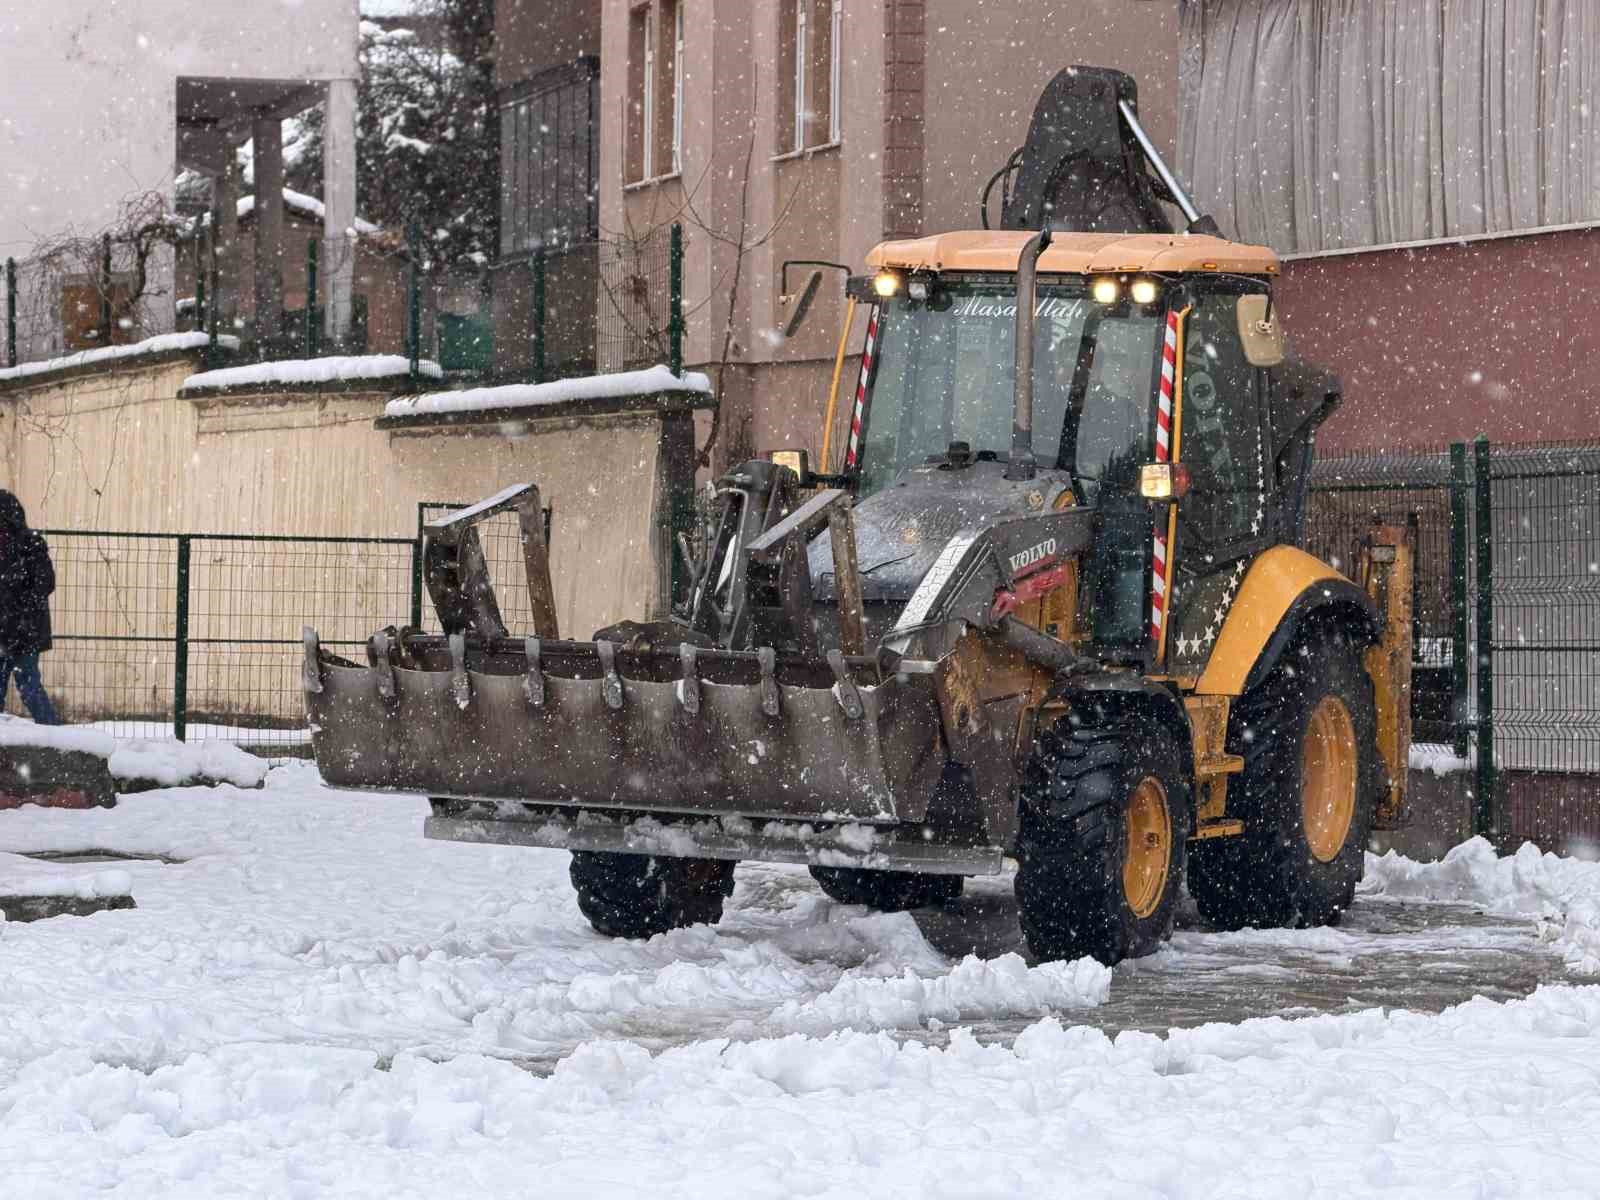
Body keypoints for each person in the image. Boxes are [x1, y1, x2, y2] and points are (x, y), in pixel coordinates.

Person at [0, 490, 62, 725]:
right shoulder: (30, 542)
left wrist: (17, 600)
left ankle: (57, 738)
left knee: (29, 688)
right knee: (29, 687)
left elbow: (44, 583)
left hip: (23, 631)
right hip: (14, 630)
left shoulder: (31, 544)